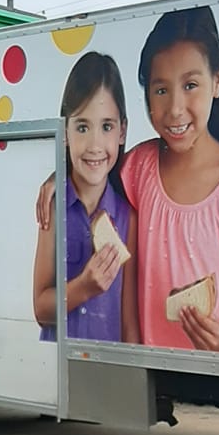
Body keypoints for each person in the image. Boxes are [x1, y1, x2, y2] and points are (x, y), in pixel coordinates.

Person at [122, 5, 219, 351]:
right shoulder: (136, 169)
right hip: (141, 371)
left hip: (204, 375)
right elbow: (126, 283)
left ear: (217, 80)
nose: (175, 109)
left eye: (190, 85)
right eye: (161, 90)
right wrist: (59, 179)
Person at [32, 50, 135, 344]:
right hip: (58, 366)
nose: (94, 145)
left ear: (122, 131)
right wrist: (84, 287)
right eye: (82, 127)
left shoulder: (128, 216)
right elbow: (41, 309)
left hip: (107, 366)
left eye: (106, 126)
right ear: (64, 131)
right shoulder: (53, 206)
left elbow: (129, 321)